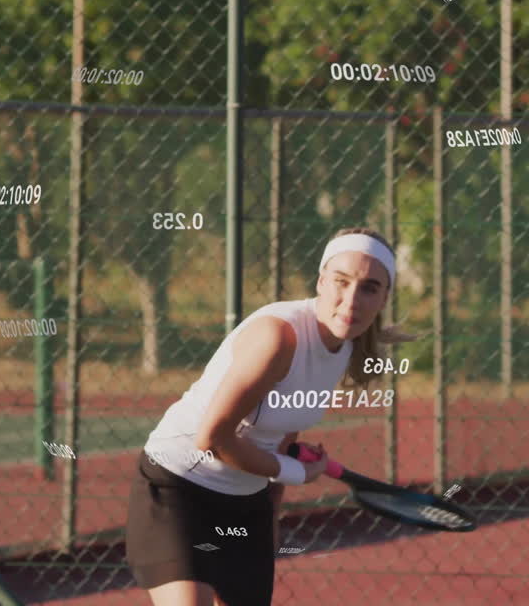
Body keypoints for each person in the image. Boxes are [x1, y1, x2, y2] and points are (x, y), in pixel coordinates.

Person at [125, 226, 413, 606]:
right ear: (321, 281)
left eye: (369, 288)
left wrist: (269, 516)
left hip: (246, 503)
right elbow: (212, 438)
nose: (352, 299)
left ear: (384, 298)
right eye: (341, 282)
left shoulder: (344, 346)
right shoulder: (278, 337)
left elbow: (284, 437)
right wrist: (295, 472)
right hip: (178, 488)